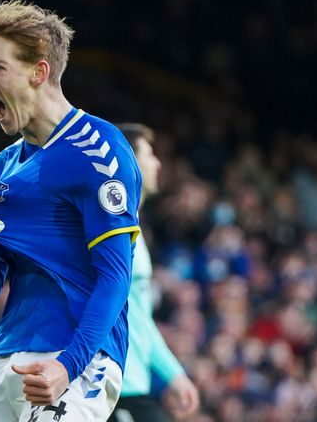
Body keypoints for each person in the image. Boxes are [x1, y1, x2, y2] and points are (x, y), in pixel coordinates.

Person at [0, 0, 141, 422]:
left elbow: (116, 275)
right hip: (2, 354)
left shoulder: (97, 149)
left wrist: (68, 364)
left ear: (38, 72)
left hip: (76, 356)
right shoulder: (2, 166)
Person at [108, 123, 199, 422]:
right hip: (111, 380)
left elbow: (139, 318)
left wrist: (173, 374)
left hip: (129, 381)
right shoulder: (113, 228)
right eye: (148, 154)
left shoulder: (132, 224)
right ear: (129, 161)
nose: (157, 162)